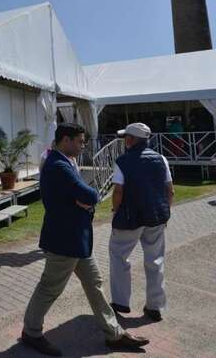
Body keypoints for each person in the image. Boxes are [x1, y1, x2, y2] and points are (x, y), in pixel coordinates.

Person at [21, 123, 149, 356]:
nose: (83, 146)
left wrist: (83, 199)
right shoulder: (58, 165)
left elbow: (85, 196)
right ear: (66, 140)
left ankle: (114, 334)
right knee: (49, 288)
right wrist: (84, 198)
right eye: (80, 141)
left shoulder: (62, 161)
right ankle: (31, 332)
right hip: (65, 240)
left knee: (94, 283)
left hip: (77, 239)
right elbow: (91, 194)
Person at [108, 123, 174, 323]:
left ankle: (120, 302)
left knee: (119, 257)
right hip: (156, 217)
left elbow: (118, 192)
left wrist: (114, 211)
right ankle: (155, 306)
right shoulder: (161, 159)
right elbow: (169, 190)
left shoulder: (123, 161)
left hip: (130, 217)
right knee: (155, 260)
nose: (124, 141)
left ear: (131, 139)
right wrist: (166, 212)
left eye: (125, 137)